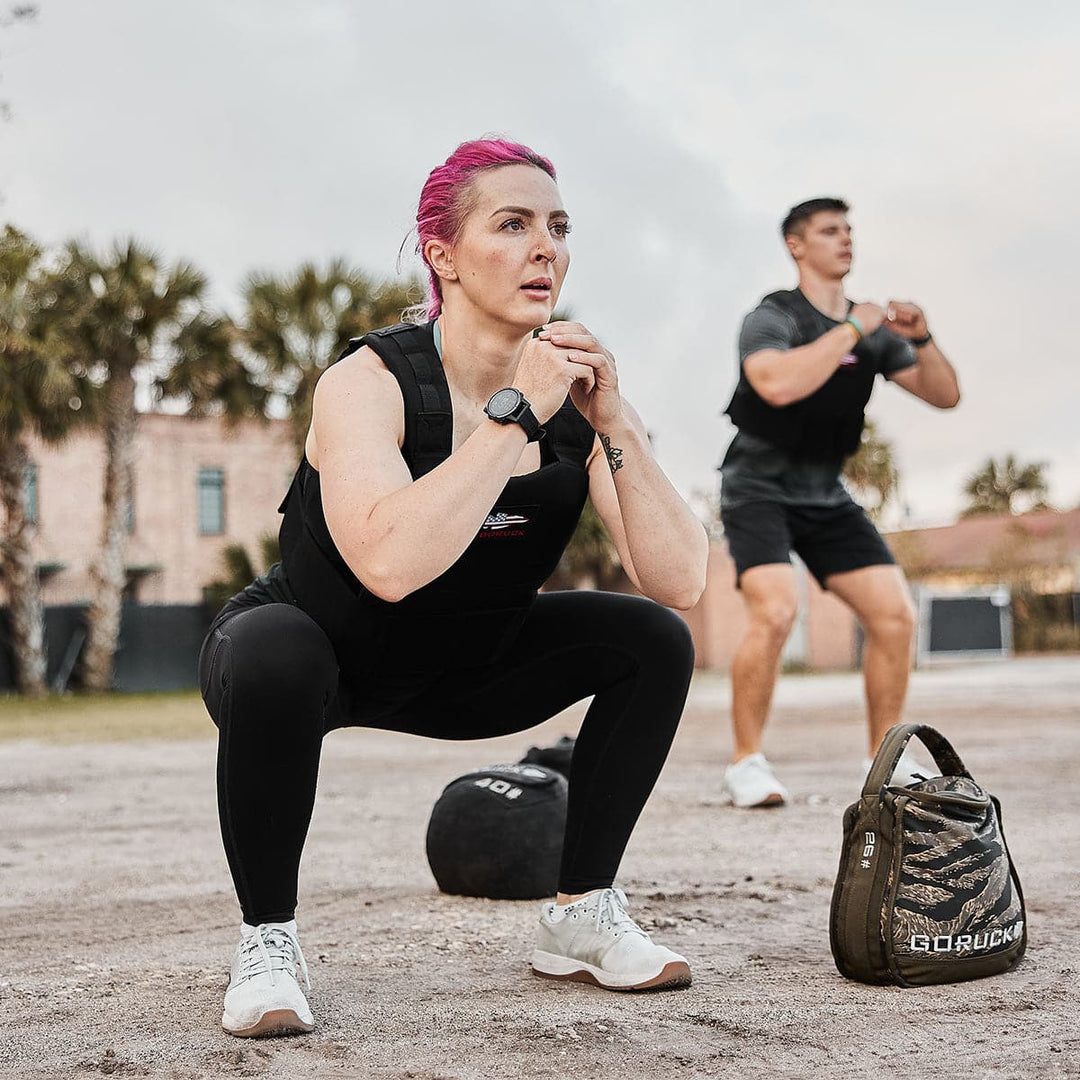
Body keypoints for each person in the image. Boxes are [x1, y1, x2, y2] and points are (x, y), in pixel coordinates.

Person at [199, 138, 709, 1037]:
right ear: (444, 256)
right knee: (273, 648)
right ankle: (268, 943)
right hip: (325, 660)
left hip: (469, 664)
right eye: (512, 225)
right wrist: (516, 417)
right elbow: (390, 566)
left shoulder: (575, 397)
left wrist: (617, 423)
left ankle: (582, 914)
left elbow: (681, 578)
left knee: (651, 639)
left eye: (558, 227)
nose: (544, 247)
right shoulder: (368, 383)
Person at [718, 197, 960, 808]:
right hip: (757, 488)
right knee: (776, 610)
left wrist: (922, 337)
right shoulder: (773, 316)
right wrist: (853, 329)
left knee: (895, 616)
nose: (845, 239)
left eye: (848, 230)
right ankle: (746, 764)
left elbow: (944, 396)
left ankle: (885, 761)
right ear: (797, 246)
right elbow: (774, 383)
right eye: (829, 231)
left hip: (825, 494)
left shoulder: (874, 331)